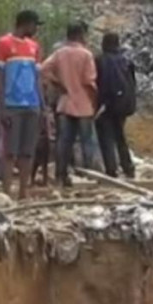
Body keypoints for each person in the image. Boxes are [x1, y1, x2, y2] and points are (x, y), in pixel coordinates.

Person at [0, 10, 43, 200]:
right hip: (12, 104)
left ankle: (23, 191)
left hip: (32, 104)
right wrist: (2, 105)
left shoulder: (34, 47)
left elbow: (37, 78)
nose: (36, 29)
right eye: (35, 25)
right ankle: (6, 192)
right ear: (26, 23)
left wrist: (42, 105)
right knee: (10, 151)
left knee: (27, 151)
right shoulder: (4, 43)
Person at [42, 22, 98, 187]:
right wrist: (95, 101)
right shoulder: (86, 55)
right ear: (81, 35)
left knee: (63, 141)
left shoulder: (60, 53)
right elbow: (89, 82)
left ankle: (61, 175)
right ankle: (89, 176)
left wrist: (57, 83)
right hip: (84, 103)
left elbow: (43, 69)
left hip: (65, 102)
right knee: (87, 141)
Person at [96, 32, 137, 179]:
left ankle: (111, 169)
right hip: (123, 105)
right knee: (120, 136)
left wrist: (98, 105)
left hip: (106, 105)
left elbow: (100, 84)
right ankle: (128, 168)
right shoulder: (127, 61)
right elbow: (133, 84)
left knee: (106, 137)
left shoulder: (100, 60)